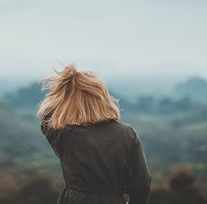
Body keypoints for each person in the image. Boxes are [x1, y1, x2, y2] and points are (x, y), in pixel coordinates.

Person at [36, 64, 151, 204]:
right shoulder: (127, 134)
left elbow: (45, 116)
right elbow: (142, 184)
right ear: (102, 97)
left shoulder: (64, 133)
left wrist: (65, 91)